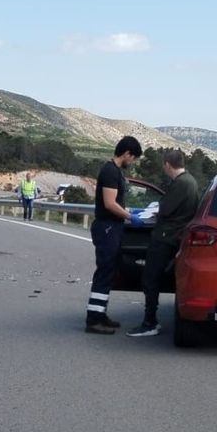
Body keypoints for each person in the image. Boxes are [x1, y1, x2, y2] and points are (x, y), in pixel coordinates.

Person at [129, 149, 199, 337]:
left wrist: (151, 213)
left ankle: (150, 322)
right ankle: (150, 320)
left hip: (165, 238)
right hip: (176, 236)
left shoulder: (180, 184)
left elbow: (166, 209)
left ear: (167, 164)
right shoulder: (190, 182)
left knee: (150, 279)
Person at [84, 136, 143, 334]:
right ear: (127, 153)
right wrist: (129, 216)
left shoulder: (114, 171)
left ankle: (100, 314)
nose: (132, 162)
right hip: (107, 227)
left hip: (112, 227)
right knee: (104, 272)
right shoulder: (110, 172)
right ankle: (94, 319)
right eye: (133, 158)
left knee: (109, 273)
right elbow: (109, 203)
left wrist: (128, 213)